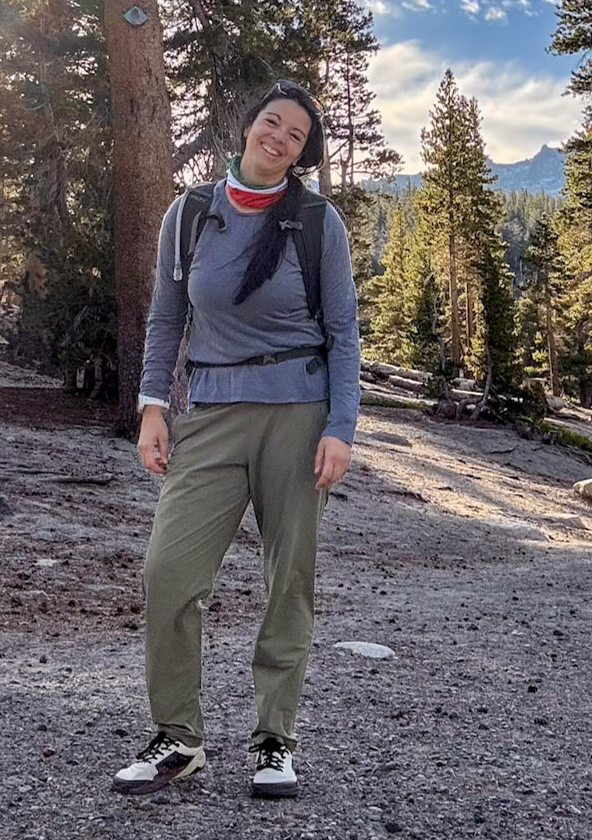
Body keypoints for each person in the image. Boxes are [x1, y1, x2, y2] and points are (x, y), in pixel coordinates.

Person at [111, 81, 360, 800]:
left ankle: (275, 739)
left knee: (289, 580)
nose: (277, 137)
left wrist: (341, 427)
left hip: (299, 413)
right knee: (168, 573)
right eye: (270, 122)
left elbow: (343, 333)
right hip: (211, 411)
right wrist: (153, 405)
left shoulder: (317, 223)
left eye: (294, 135)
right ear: (247, 126)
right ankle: (179, 737)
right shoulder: (190, 214)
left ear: (302, 154)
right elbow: (165, 320)